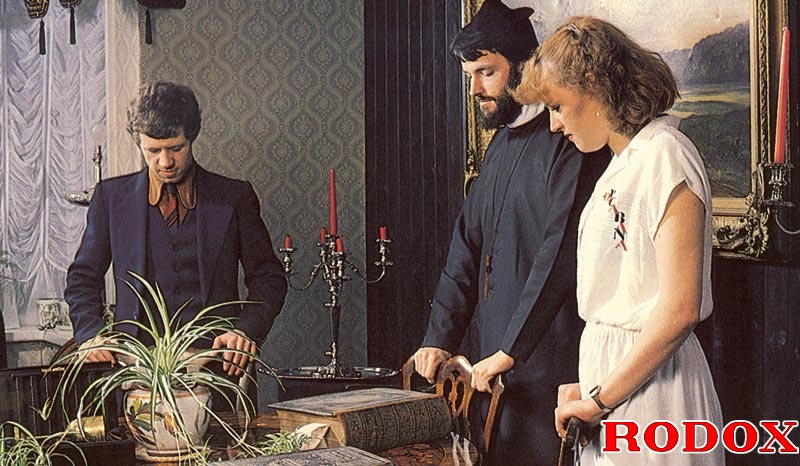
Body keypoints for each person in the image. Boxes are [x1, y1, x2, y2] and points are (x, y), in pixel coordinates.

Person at [515, 16, 725, 465]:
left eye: (556, 105)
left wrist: (599, 398)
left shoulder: (666, 154)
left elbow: (680, 310)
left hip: (657, 393)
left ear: (593, 84)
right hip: (618, 389)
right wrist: (592, 386)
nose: (553, 125)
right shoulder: (623, 162)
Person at [410, 2, 610, 465]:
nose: (475, 90)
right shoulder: (499, 143)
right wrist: (439, 336)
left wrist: (511, 351)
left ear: (523, 65)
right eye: (469, 77)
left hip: (552, 360)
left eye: (486, 73)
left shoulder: (571, 141)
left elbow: (559, 257)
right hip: (493, 366)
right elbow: (466, 247)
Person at [65, 81, 287, 385]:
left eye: (176, 148)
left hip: (218, 371)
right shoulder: (111, 198)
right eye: (153, 151)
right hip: (134, 374)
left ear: (191, 137)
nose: (165, 162)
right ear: (139, 144)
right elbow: (82, 277)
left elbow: (269, 278)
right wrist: (90, 333)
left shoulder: (234, 197)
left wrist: (245, 330)